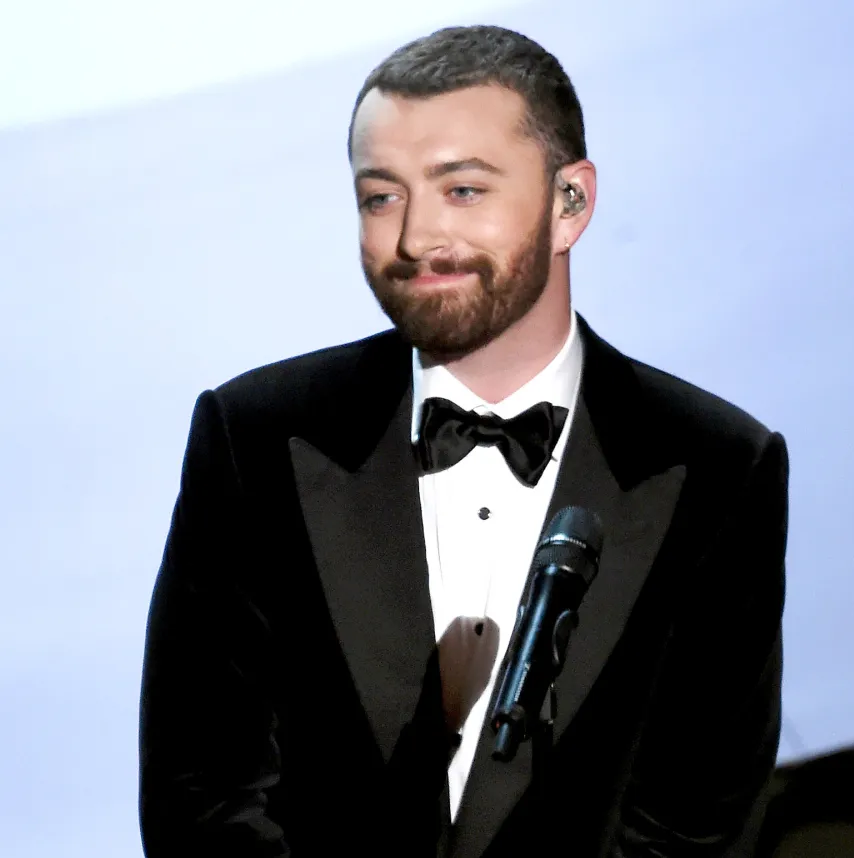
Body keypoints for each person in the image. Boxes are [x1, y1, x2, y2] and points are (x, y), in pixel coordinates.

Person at [138, 24, 789, 858]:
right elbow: (202, 798)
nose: (414, 239)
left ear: (571, 204)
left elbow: (695, 823)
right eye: (381, 197)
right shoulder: (258, 434)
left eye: (464, 191)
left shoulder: (717, 464)